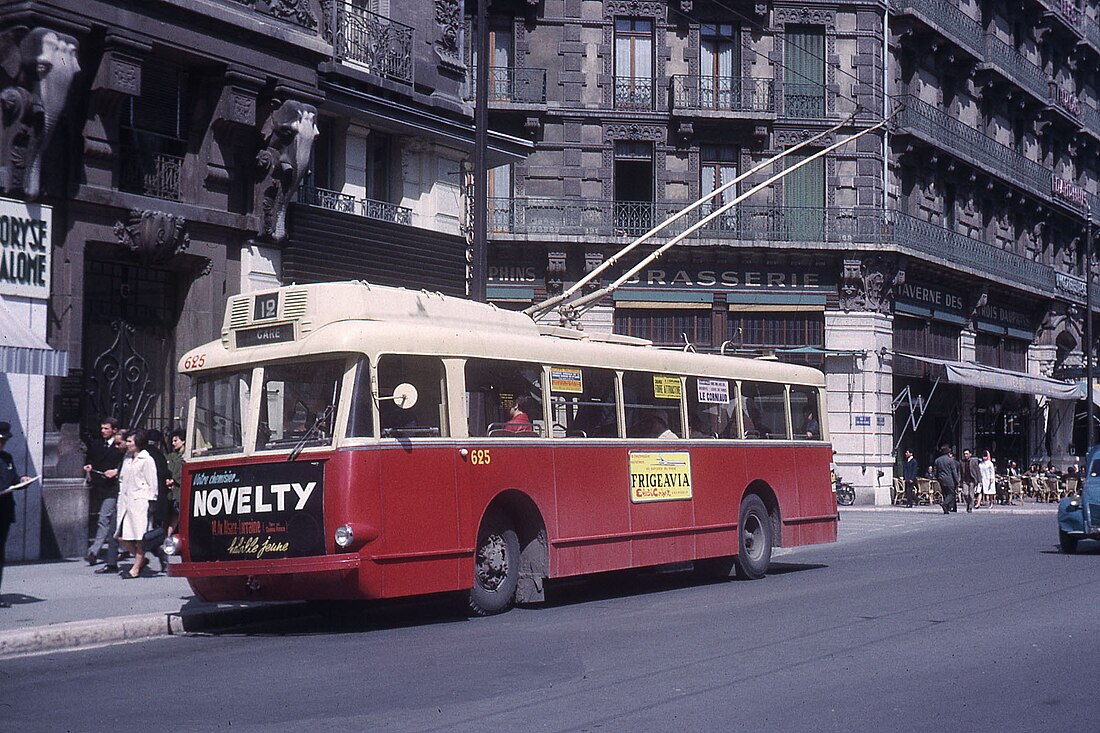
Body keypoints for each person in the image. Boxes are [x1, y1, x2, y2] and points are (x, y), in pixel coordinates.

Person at [115, 430, 159, 579]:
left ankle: (135, 568)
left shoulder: (147, 459)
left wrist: (151, 500)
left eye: (130, 441)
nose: (127, 444)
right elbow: (122, 479)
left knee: (139, 537)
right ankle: (141, 559)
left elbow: (152, 482)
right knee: (123, 536)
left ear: (138, 442)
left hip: (140, 502)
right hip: (126, 502)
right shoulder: (127, 458)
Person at [83, 417, 124, 573]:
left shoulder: (120, 446)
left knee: (103, 518)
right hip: (99, 486)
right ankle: (124, 548)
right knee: (111, 521)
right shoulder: (97, 444)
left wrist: (116, 471)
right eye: (102, 428)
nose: (103, 431)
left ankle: (93, 551)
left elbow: (125, 464)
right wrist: (89, 467)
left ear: (114, 430)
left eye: (106, 429)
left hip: (113, 488)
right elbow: (91, 460)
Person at [0, 421, 32, 607]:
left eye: (4, 441)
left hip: (4, 511)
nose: (2, 444)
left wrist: (22, 480)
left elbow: (12, 479)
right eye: (0, 441)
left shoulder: (7, 458)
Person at [934, 444, 960, 514]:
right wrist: (957, 481)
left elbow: (935, 472)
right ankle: (945, 504)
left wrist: (938, 478)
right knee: (951, 494)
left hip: (941, 479)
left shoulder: (937, 460)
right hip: (949, 479)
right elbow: (954, 472)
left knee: (945, 493)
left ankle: (946, 509)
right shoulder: (950, 460)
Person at [959, 448, 980, 513]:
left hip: (972, 480)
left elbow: (978, 471)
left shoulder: (974, 462)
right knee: (965, 494)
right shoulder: (962, 462)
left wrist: (979, 480)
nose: (965, 455)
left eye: (967, 454)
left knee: (971, 494)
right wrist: (959, 480)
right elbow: (960, 472)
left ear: (970, 454)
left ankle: (970, 506)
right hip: (965, 480)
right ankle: (968, 503)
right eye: (964, 454)